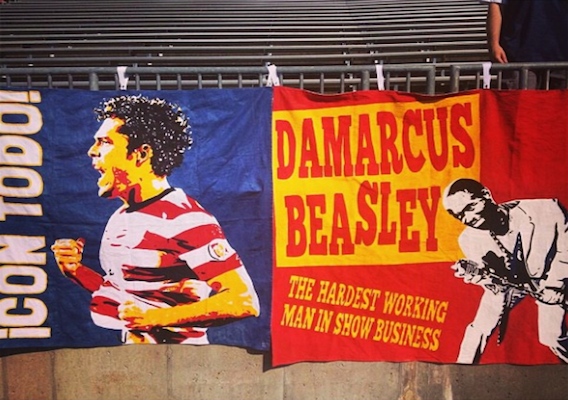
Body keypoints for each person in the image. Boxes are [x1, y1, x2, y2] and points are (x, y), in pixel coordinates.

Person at [51, 95, 260, 344]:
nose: (92, 151)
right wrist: (76, 271)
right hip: (136, 359)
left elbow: (243, 300)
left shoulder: (185, 218)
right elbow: (129, 296)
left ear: (141, 153)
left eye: (105, 142)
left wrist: (156, 318)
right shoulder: (121, 216)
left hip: (179, 361)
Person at [443, 178, 568, 364]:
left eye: (470, 207)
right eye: (460, 216)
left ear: (486, 195)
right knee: (477, 329)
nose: (468, 219)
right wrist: (481, 276)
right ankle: (460, 371)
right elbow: (498, 287)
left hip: (553, 276)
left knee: (551, 336)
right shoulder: (467, 239)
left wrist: (555, 286)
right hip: (513, 284)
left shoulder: (547, 210)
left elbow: (565, 251)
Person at [480, 0, 568, 89]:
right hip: (518, 54)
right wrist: (494, 44)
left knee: (559, 97)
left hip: (561, 54)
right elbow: (495, 4)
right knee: (518, 97)